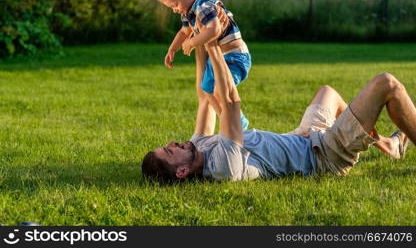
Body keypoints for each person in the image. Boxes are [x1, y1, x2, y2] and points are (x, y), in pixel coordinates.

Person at [142, 44, 414, 182]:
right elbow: (231, 102)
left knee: (327, 92)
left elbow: (204, 98)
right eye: (169, 152)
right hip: (324, 156)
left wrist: (198, 38)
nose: (171, 144)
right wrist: (213, 44)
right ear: (182, 171)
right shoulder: (222, 166)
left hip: (304, 138)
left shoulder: (198, 147)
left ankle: (388, 145)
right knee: (386, 84)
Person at [154, 0, 251, 130]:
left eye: (174, 5)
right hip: (218, 59)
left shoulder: (204, 6)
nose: (174, 10)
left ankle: (238, 123)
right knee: (207, 90)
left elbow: (215, 29)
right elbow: (184, 32)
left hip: (234, 57)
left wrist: (192, 42)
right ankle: (230, 124)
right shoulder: (188, 11)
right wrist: (172, 49)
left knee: (220, 90)